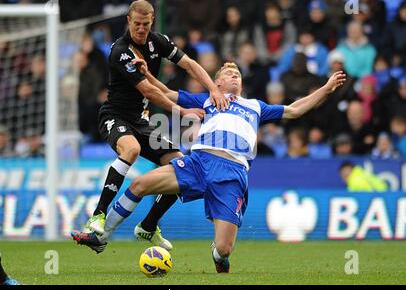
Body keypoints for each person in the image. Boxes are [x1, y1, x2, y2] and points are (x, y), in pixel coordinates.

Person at [72, 61, 346, 272]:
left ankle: (218, 256)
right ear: (216, 81)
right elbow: (166, 93)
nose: (234, 75)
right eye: (228, 73)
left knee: (225, 249)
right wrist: (145, 74)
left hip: (232, 173)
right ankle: (102, 236)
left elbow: (294, 110)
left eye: (237, 73)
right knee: (139, 184)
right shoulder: (206, 99)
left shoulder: (255, 106)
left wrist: (326, 88)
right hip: (198, 163)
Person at [81, 0, 228, 251]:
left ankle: (148, 226)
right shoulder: (121, 51)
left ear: (152, 23)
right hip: (115, 116)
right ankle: (98, 216)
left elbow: (189, 64)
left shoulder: (157, 41)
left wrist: (213, 88)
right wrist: (182, 111)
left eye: (146, 24)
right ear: (128, 21)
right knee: (131, 150)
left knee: (181, 166)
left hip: (142, 120)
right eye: (137, 24)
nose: (141, 29)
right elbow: (148, 89)